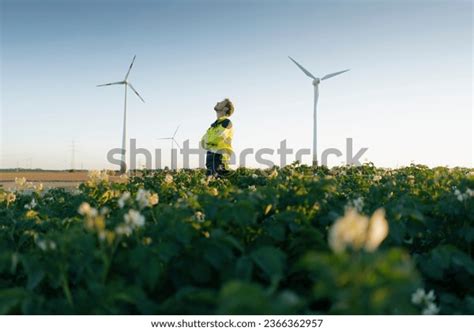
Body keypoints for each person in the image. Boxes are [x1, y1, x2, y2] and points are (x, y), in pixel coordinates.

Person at [200, 98, 234, 177]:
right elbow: (202, 142)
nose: (218, 102)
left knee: (218, 180)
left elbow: (218, 137)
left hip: (220, 156)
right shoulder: (213, 125)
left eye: (222, 102)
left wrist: (208, 142)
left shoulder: (226, 123)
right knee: (210, 181)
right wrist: (207, 142)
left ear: (225, 109)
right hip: (210, 155)